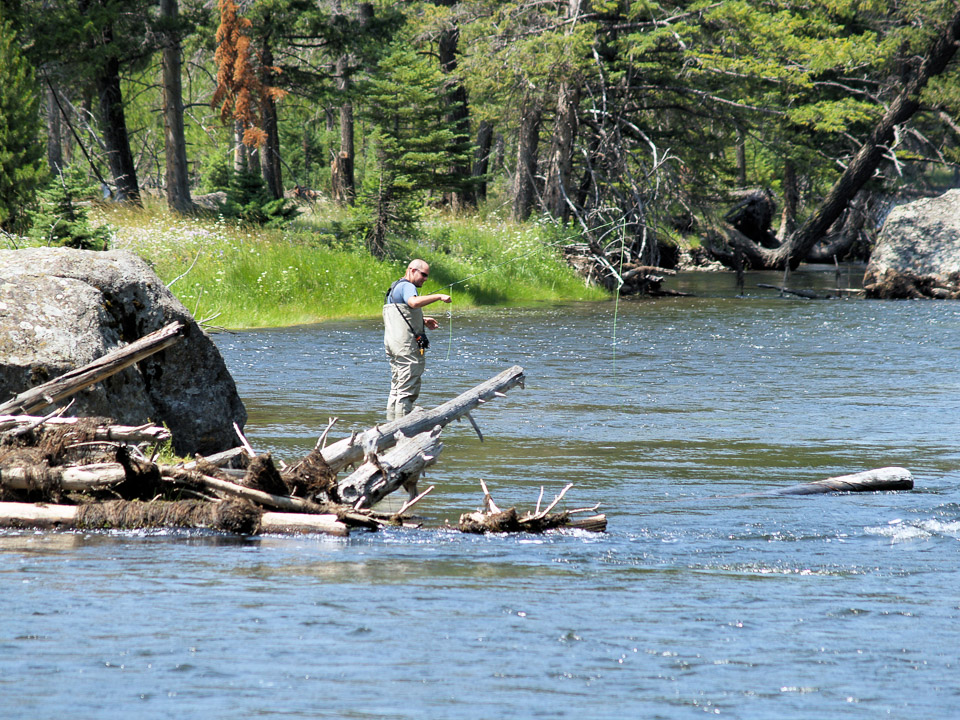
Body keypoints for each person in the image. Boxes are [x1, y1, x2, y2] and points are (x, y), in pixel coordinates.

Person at [383, 259, 451, 420]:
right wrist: (439, 296)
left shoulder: (395, 287)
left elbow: (400, 314)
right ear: (412, 270)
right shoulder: (408, 286)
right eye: (423, 275)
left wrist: (422, 320)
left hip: (393, 346)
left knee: (397, 388)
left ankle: (389, 426)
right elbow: (413, 303)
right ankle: (402, 429)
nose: (425, 279)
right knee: (407, 391)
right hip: (406, 348)